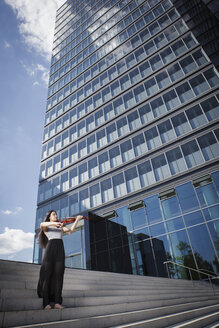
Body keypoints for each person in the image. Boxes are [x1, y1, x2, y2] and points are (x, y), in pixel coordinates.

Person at [37, 210, 83, 310]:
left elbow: (70, 231)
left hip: (60, 249)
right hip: (50, 249)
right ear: (49, 217)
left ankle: (57, 302)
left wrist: (77, 220)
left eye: (56, 214)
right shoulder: (47, 226)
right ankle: (46, 303)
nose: (56, 215)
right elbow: (41, 224)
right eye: (54, 214)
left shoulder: (60, 226)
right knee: (47, 275)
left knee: (59, 275)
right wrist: (55, 223)